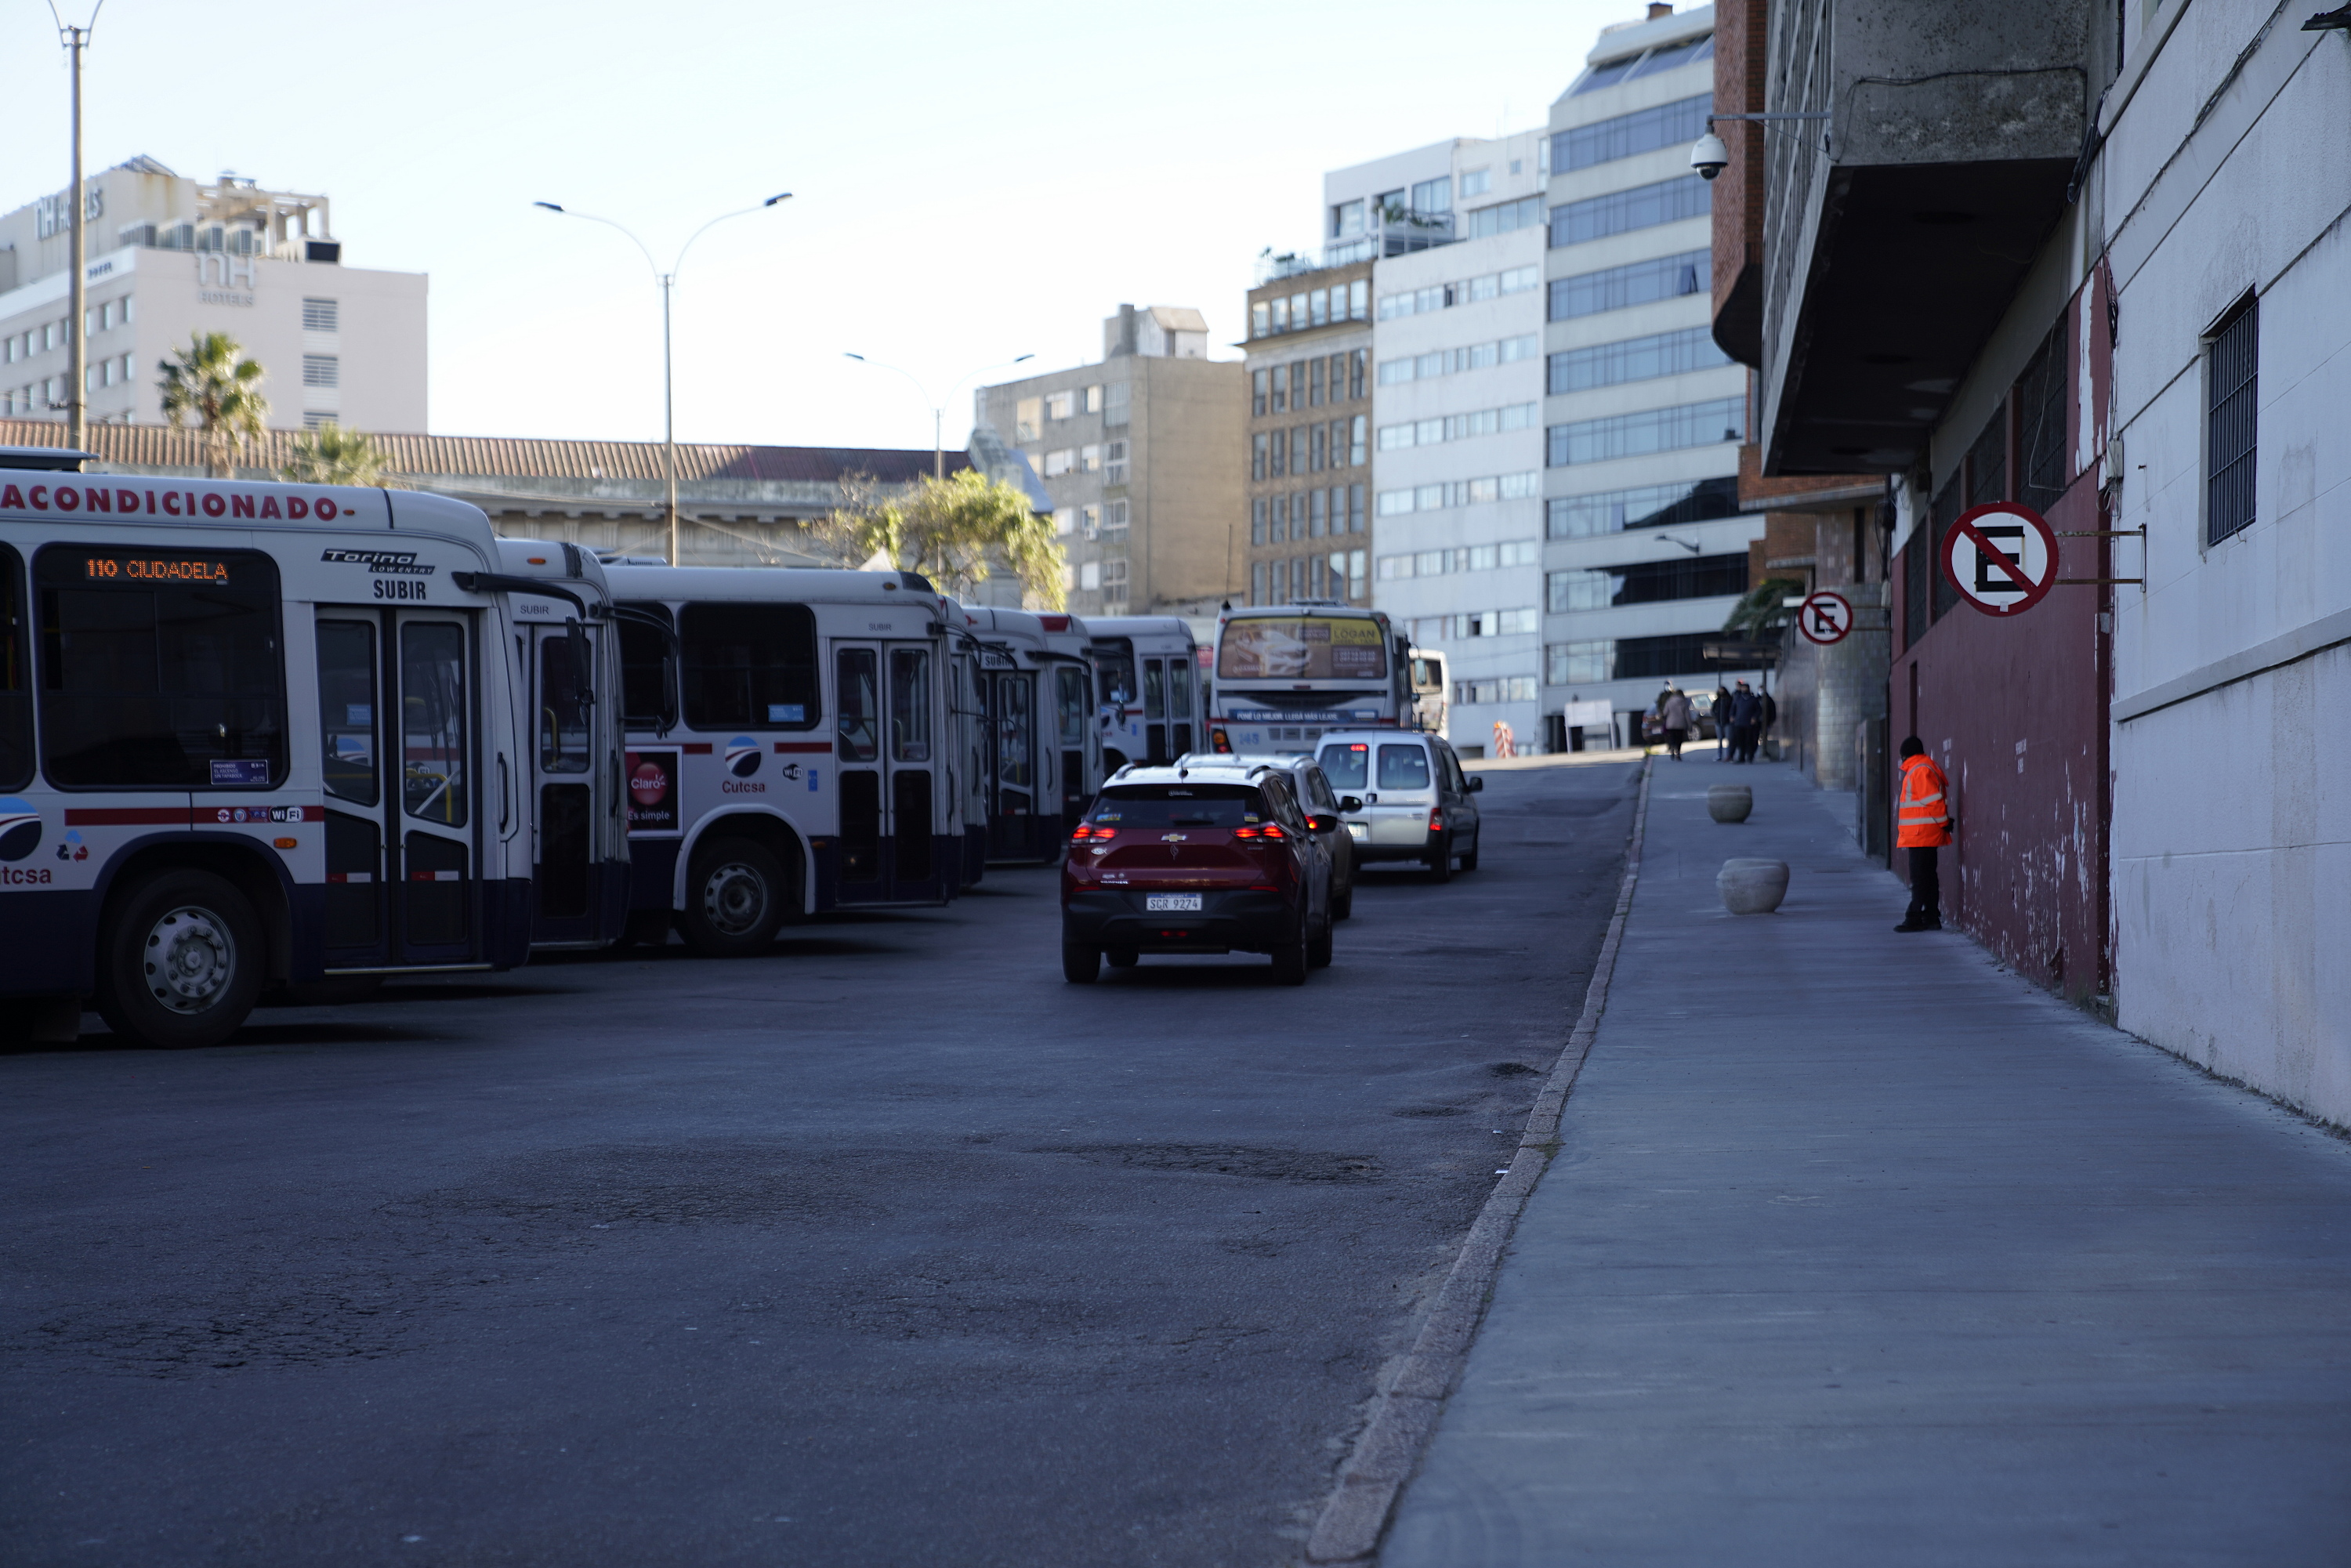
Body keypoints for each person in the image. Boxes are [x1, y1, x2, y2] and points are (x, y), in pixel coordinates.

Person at [1894, 736, 1953, 931]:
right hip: (1926, 833)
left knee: (1920, 878)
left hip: (1921, 835)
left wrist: (1944, 822)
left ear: (1906, 755)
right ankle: (1930, 916)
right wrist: (1943, 823)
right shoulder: (1924, 768)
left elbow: (1933, 801)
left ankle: (1914, 917)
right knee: (1928, 876)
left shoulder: (1918, 771)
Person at [1728, 680, 1762, 762]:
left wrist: (1754, 718)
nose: (1744, 689)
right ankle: (1741, 757)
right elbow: (1733, 709)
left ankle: (1750, 756)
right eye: (1743, 688)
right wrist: (1732, 716)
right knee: (1740, 741)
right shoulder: (1738, 699)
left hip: (1749, 723)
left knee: (1749, 740)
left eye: (1745, 688)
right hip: (1739, 723)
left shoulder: (1753, 699)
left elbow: (1758, 710)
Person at [1658, 687, 1693, 759]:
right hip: (1680, 724)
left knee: (1672, 737)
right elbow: (1687, 715)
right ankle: (1678, 753)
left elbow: (1665, 712)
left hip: (1670, 723)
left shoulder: (1669, 701)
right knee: (1679, 739)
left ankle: (1672, 749)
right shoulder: (1683, 702)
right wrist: (1690, 726)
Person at [1712, 683, 1733, 759]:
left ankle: (1728, 755)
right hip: (1719, 722)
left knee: (1729, 739)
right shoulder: (1717, 701)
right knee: (1720, 740)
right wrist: (1716, 715)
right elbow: (1713, 710)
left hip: (1727, 722)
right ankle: (1719, 755)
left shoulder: (1729, 700)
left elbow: (1732, 709)